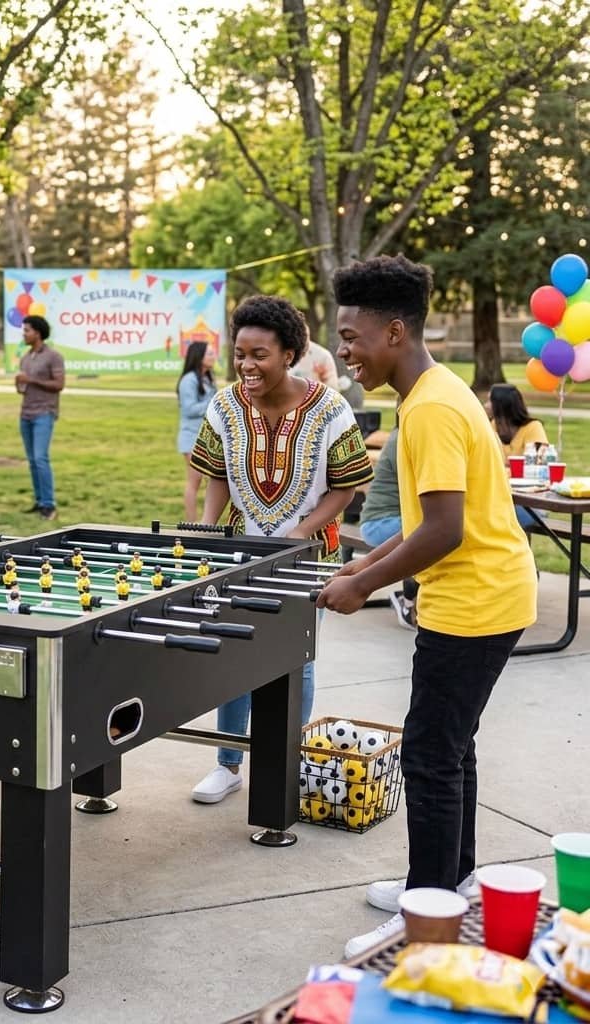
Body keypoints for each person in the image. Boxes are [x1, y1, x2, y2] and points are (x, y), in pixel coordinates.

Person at [320, 254, 537, 958]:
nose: (345, 351)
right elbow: (426, 523)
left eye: (351, 337)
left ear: (394, 332)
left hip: (474, 602)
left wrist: (362, 586)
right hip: (488, 593)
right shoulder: (433, 394)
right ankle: (455, 879)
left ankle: (426, 912)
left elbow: (447, 531)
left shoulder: (433, 410)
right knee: (451, 748)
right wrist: (369, 562)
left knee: (430, 755)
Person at [189, 296, 373, 805]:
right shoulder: (225, 404)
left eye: (260, 355)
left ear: (289, 353)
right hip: (239, 555)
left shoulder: (330, 407)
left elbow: (346, 486)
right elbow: (219, 476)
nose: (247, 366)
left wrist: (301, 532)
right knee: (232, 654)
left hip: (307, 558)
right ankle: (228, 764)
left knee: (297, 661)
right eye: (240, 354)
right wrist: (207, 529)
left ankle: (286, 762)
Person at [358, 427, 417, 629]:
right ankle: (408, 601)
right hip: (380, 522)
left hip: (388, 518)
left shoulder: (405, 433)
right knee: (428, 533)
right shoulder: (405, 438)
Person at [16, 314, 65, 520]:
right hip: (26, 413)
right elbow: (23, 388)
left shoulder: (53, 356)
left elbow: (59, 384)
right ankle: (39, 501)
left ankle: (49, 505)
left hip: (44, 413)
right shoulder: (26, 357)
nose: (24, 334)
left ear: (37, 332)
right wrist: (20, 383)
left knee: (40, 458)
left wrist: (31, 380)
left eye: (27, 330)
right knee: (32, 461)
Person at [176, 341, 218, 522]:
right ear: (198, 357)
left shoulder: (207, 378)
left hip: (206, 438)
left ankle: (206, 522)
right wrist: (212, 402)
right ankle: (192, 524)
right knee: (195, 481)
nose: (213, 356)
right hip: (191, 438)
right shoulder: (189, 380)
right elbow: (189, 409)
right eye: (209, 353)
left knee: (211, 482)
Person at [486, 382, 548, 459]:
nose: (486, 405)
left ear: (503, 404)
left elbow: (537, 461)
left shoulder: (533, 427)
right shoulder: (492, 425)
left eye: (490, 401)